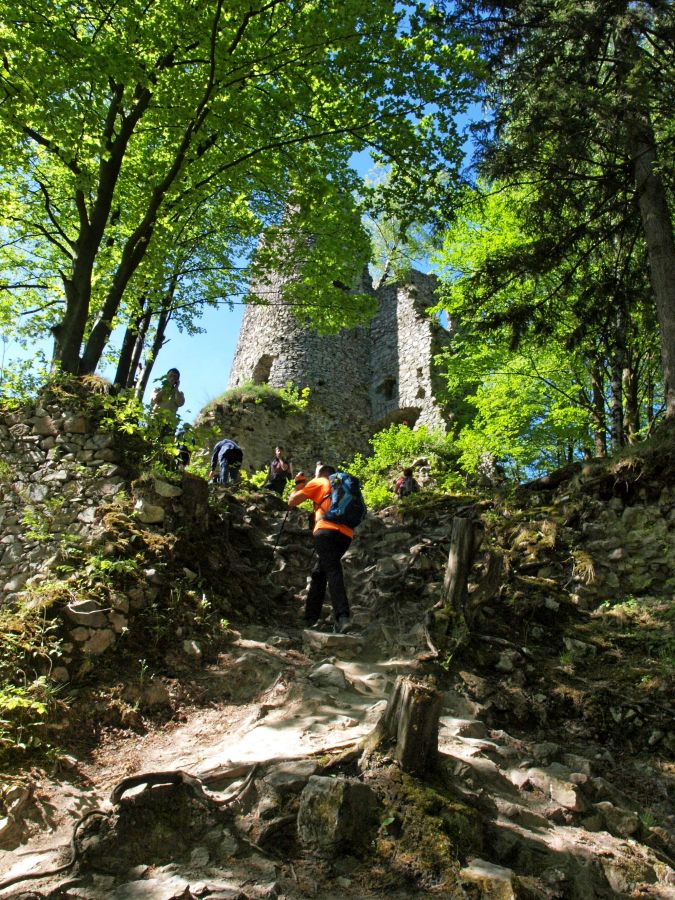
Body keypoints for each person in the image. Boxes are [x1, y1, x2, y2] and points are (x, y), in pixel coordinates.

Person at [288, 463, 352, 634]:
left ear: (322, 474)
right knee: (320, 572)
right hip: (345, 534)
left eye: (315, 474)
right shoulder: (339, 485)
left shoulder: (320, 482)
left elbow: (292, 501)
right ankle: (311, 617)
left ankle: (343, 617)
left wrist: (299, 484)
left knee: (332, 570)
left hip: (325, 531)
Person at [150, 368, 185, 437]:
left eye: (175, 376)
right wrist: (166, 386)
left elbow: (180, 403)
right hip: (156, 419)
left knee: (165, 445)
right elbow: (155, 399)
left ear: (177, 380)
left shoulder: (179, 393)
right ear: (166, 377)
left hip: (169, 424)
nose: (172, 378)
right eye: (171, 375)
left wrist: (176, 388)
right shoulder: (157, 389)